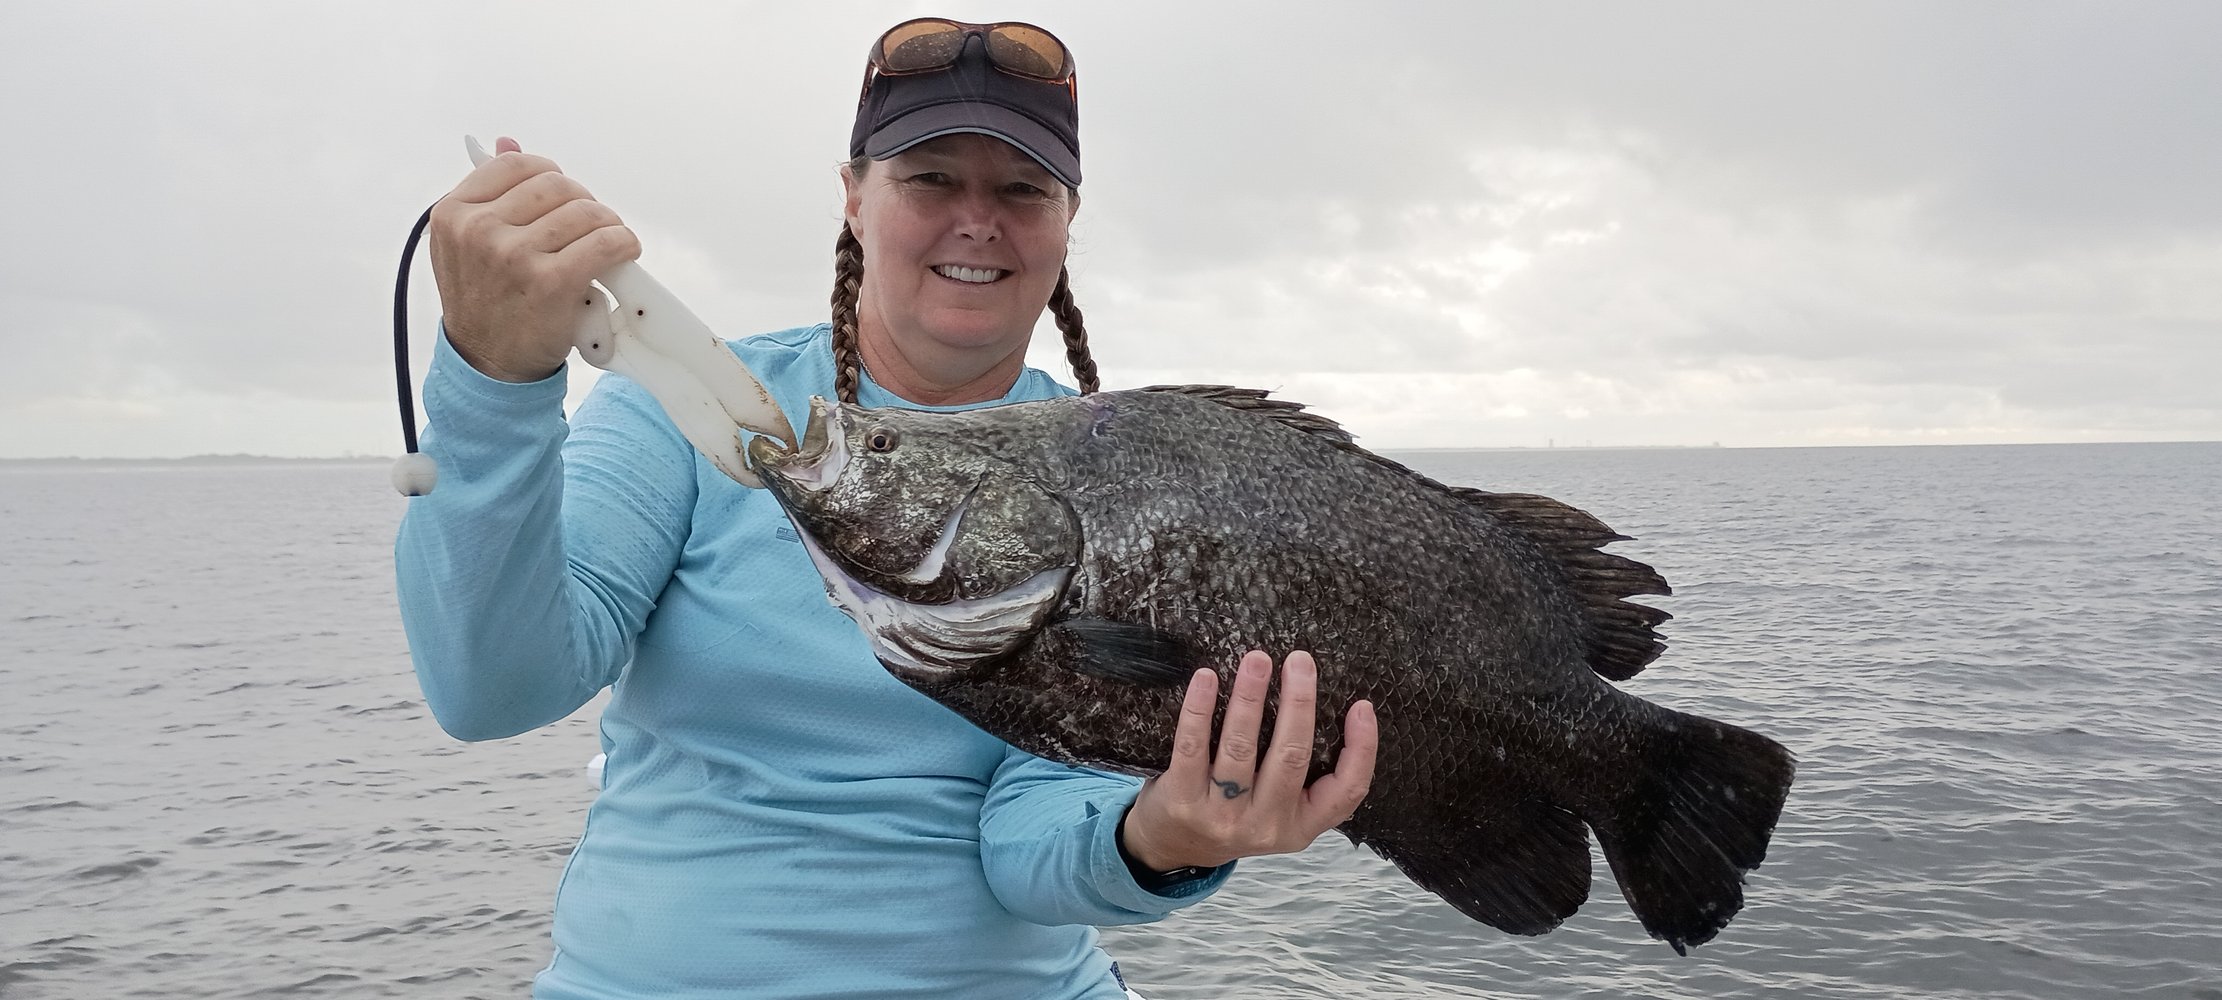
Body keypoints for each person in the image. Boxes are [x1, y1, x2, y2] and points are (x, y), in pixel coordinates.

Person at [397, 17, 1377, 999]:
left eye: (1021, 189)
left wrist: (1162, 837)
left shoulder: (1128, 481)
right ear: (853, 198)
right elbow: (494, 689)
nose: (976, 218)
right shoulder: (678, 404)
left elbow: (1030, 850)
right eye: (931, 178)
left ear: (1066, 218)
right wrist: (492, 382)